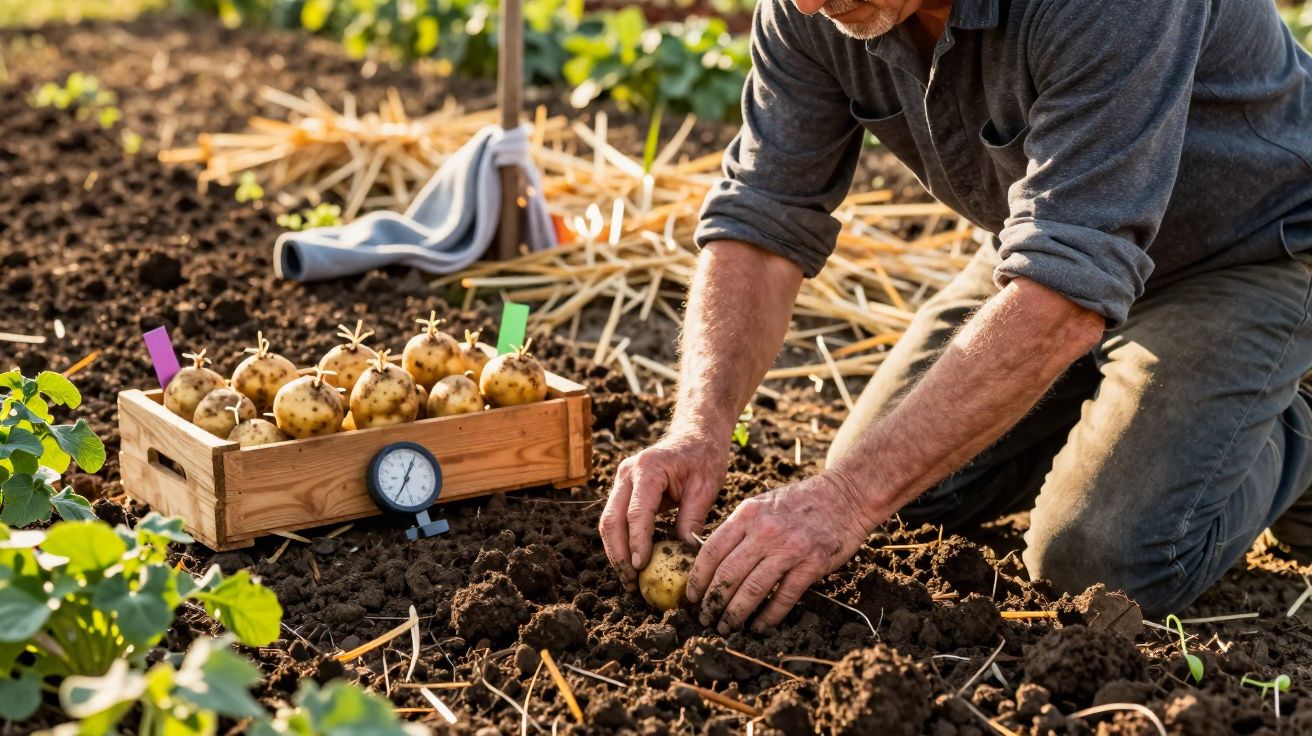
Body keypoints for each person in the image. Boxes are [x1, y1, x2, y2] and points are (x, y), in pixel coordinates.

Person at [598, 0, 1312, 631]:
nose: (811, 5)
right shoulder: (812, 8)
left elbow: (1064, 295)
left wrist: (843, 500)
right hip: (1050, 249)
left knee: (1098, 559)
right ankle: (1139, 416)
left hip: (1253, 249)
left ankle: (1281, 410)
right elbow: (762, 219)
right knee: (898, 493)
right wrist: (699, 426)